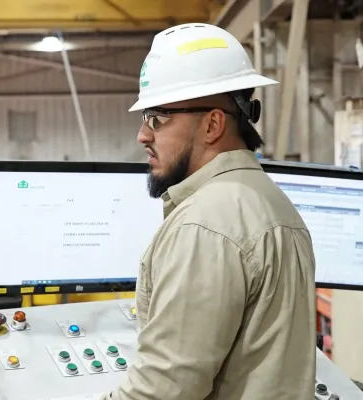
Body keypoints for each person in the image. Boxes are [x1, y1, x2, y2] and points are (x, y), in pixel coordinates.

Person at [102, 24, 317, 400]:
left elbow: (162, 392)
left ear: (213, 124)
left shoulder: (205, 225)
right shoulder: (269, 200)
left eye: (157, 116)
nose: (142, 134)